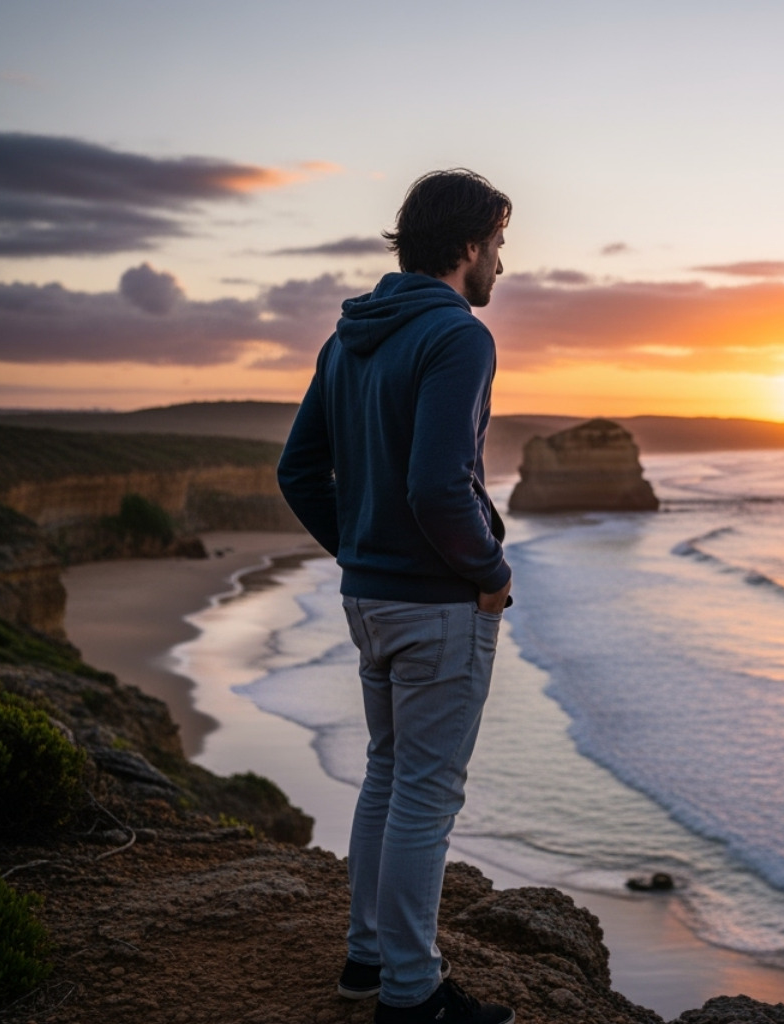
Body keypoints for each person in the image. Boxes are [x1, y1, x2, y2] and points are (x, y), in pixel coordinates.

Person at [277, 169, 515, 1024]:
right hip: (437, 604)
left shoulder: (347, 338)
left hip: (368, 598)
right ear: (466, 246)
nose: (501, 265)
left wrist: (360, 551)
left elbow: (297, 470)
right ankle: (411, 997)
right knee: (427, 791)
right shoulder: (458, 337)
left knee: (386, 773)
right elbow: (438, 487)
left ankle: (366, 958)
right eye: (498, 246)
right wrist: (490, 575)